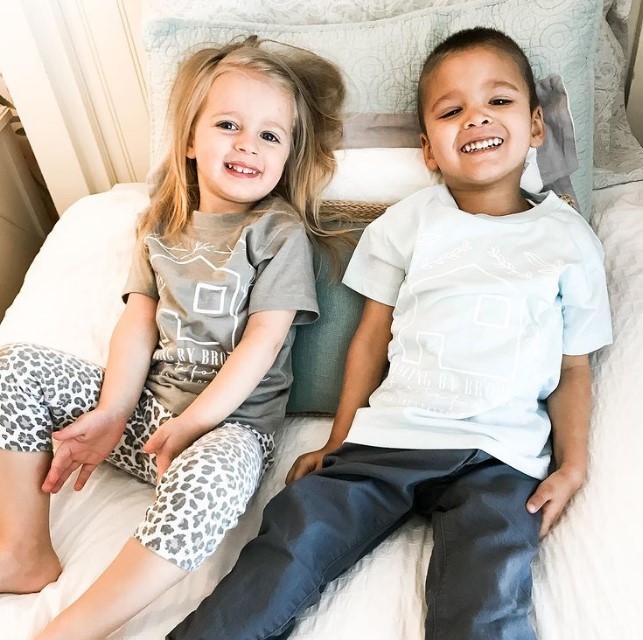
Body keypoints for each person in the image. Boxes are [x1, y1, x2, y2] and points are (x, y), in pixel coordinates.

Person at [167, 27, 613, 640]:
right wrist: (339, 438)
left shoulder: (570, 239)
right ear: (429, 150)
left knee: (487, 588)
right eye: (451, 111)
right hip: (389, 439)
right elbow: (371, 338)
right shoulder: (408, 223)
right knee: (296, 533)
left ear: (536, 125)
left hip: (500, 455)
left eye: (499, 100)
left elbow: (574, 367)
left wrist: (574, 465)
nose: (476, 118)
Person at [0, 36, 345, 639]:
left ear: (289, 155)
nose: (248, 144)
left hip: (229, 430)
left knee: (210, 480)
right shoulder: (160, 223)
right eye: (229, 124)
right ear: (189, 140)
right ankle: (22, 550)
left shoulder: (278, 233)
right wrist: (113, 412)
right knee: (16, 366)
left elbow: (262, 344)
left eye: (270, 135)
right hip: (148, 420)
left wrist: (191, 427)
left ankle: (74, 628)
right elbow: (138, 323)